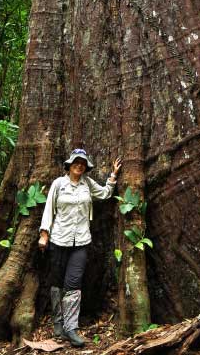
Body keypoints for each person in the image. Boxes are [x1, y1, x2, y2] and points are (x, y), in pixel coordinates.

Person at [38, 148, 122, 347]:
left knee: (73, 285)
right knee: (57, 283)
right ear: (69, 164)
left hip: (81, 242)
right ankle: (57, 322)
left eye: (83, 163)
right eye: (76, 161)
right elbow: (49, 209)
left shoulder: (88, 184)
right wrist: (44, 234)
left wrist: (113, 176)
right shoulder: (59, 184)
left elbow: (104, 194)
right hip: (59, 240)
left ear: (85, 167)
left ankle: (71, 328)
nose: (79, 165)